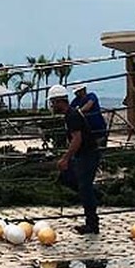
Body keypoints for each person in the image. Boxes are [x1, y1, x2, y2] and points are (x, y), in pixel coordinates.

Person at [48, 84, 101, 234]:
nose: (52, 106)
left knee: (85, 188)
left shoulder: (72, 116)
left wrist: (65, 158)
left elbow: (77, 139)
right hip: (83, 155)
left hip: (87, 154)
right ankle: (94, 202)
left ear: (59, 101)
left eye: (53, 102)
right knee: (73, 181)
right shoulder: (70, 114)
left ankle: (92, 223)